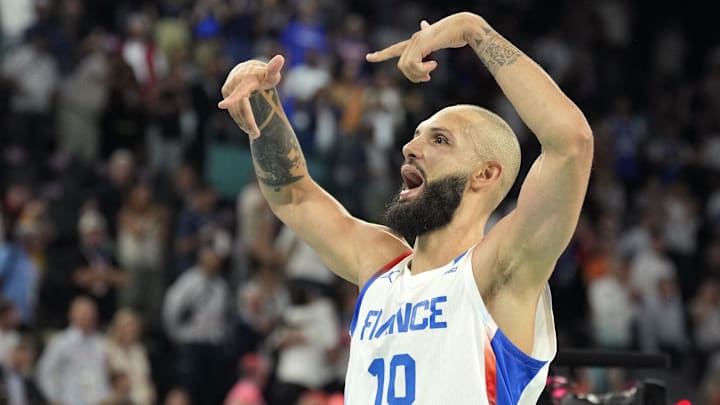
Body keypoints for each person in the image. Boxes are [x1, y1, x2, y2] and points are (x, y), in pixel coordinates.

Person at [218, 11, 593, 405]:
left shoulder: (499, 272)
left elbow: (571, 143)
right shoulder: (379, 265)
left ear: (485, 174)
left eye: (440, 141)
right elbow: (292, 193)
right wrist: (260, 98)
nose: (410, 148)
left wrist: (473, 29)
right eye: (416, 137)